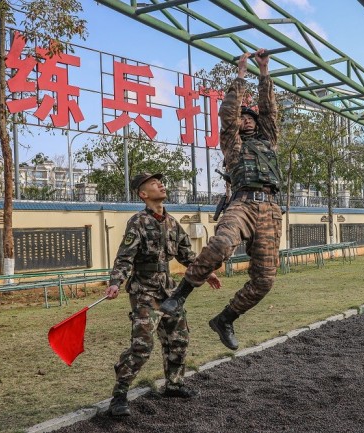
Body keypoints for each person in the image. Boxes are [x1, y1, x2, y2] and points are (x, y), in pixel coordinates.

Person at [160, 48, 283, 351]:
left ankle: (225, 319)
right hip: (241, 203)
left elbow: (270, 111)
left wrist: (265, 72)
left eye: (251, 117)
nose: (248, 120)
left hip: (270, 209)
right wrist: (241, 77)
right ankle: (179, 296)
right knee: (221, 245)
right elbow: (227, 115)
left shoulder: (269, 141)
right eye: (243, 118)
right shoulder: (232, 144)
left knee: (264, 280)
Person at [104, 173, 221, 417]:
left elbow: (186, 255)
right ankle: (119, 396)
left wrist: (206, 271)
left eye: (161, 182)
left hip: (169, 291)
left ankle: (174, 385)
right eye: (154, 183)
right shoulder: (137, 222)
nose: (161, 184)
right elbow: (124, 257)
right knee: (142, 346)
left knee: (178, 339)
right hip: (144, 292)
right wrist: (116, 282)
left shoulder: (172, 223)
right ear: (143, 194)